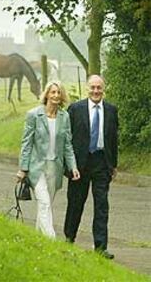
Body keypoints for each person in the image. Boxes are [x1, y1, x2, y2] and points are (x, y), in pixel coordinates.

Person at [64, 75, 119, 259]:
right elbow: (67, 140)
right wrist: (69, 166)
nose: (96, 91)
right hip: (80, 165)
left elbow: (113, 139)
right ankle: (69, 238)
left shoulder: (111, 110)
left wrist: (114, 165)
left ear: (104, 89)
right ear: (87, 88)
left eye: (99, 88)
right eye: (92, 88)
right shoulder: (75, 109)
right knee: (75, 202)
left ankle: (101, 246)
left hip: (102, 163)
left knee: (102, 205)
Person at [17, 82, 80, 238]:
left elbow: (67, 145)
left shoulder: (64, 117)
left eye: (59, 92)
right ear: (46, 94)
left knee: (46, 205)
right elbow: (26, 143)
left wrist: (73, 167)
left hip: (55, 167)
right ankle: (52, 240)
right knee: (44, 202)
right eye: (53, 92)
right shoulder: (34, 115)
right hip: (37, 167)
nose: (56, 95)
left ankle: (39, 240)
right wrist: (23, 168)